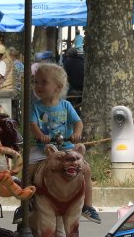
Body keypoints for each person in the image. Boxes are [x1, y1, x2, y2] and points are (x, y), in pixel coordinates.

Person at [28, 63, 99, 223]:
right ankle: (26, 203)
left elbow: (78, 122)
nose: (38, 86)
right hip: (43, 149)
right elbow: (32, 124)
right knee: (29, 169)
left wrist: (76, 134)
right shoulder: (36, 107)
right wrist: (41, 136)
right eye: (36, 82)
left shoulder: (66, 106)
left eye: (44, 82)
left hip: (66, 148)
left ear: (58, 87)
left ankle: (88, 205)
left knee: (86, 169)